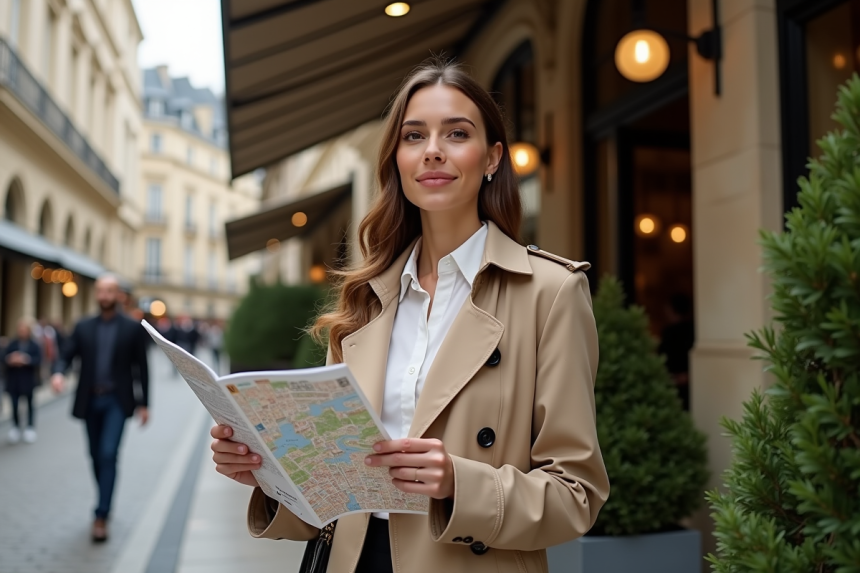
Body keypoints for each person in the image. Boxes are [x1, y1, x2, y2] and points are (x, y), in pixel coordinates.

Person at [209, 58, 609, 573]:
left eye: (457, 133)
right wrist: (266, 474)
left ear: (491, 158)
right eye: (414, 136)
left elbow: (577, 493)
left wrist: (457, 484)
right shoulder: (365, 300)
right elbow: (336, 495)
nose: (433, 150)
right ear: (397, 159)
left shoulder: (550, 292)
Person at [51, 274, 150, 543]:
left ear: (118, 295)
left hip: (117, 401)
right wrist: (58, 373)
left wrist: (145, 404)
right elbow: (66, 354)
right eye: (100, 291)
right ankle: (104, 497)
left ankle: (101, 514)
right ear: (96, 294)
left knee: (108, 454)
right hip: (90, 400)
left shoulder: (131, 328)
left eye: (109, 291)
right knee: (95, 455)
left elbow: (141, 367)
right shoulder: (83, 327)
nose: (104, 296)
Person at [3, 318, 42, 444]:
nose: (22, 331)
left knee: (30, 404)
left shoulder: (34, 344)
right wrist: (11, 359)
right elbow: (3, 358)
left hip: (28, 380)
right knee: (14, 405)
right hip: (13, 380)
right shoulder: (12, 343)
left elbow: (39, 360)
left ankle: (30, 427)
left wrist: (26, 360)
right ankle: (15, 427)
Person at [658, 293, 695, 411]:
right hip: (690, 383)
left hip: (674, 383)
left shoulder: (668, 333)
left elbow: (661, 358)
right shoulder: (694, 330)